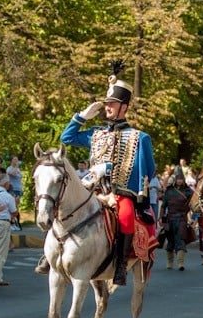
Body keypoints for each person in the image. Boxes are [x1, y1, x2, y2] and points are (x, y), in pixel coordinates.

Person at [48, 61, 156, 285]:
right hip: (92, 189)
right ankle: (49, 256)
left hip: (120, 192)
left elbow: (148, 169)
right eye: (107, 103)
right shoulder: (96, 133)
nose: (107, 107)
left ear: (124, 107)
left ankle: (121, 265)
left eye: (112, 104)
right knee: (61, 206)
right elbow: (66, 139)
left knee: (126, 218)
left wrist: (109, 169)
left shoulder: (139, 137)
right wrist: (80, 117)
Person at [160, 167, 193, 271]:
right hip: (170, 219)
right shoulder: (169, 191)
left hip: (182, 219)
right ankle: (169, 263)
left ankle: (180, 263)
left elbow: (192, 205)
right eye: (178, 179)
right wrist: (160, 218)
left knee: (181, 240)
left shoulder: (188, 192)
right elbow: (163, 206)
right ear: (175, 179)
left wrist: (191, 217)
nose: (179, 180)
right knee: (170, 241)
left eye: (181, 179)